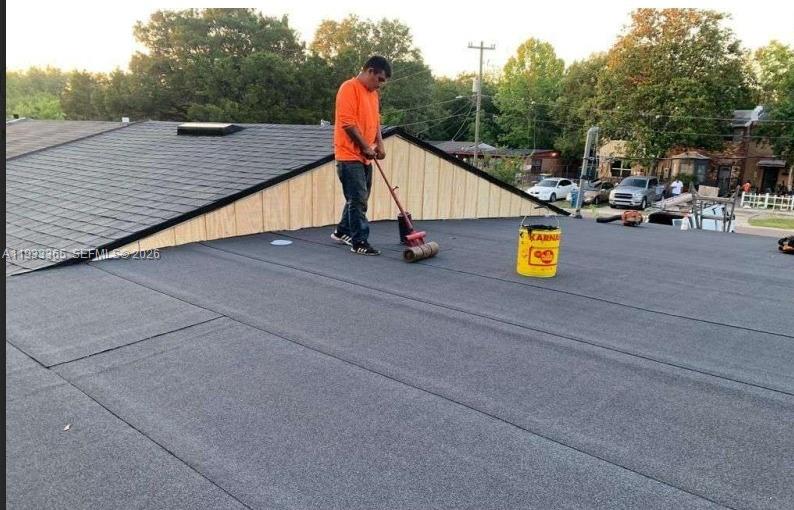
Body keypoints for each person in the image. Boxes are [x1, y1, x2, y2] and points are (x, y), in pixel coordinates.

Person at [330, 55, 391, 256]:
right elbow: (347, 124)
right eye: (379, 79)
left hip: (365, 155)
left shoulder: (373, 94)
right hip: (348, 155)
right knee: (358, 200)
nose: (380, 85)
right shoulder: (349, 88)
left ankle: (342, 231)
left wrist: (380, 144)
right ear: (370, 71)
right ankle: (360, 242)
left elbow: (376, 122)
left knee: (359, 198)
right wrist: (365, 147)